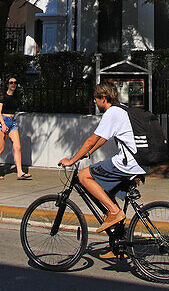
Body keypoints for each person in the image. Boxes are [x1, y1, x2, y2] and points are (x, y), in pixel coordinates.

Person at [59, 82, 145, 234]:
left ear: (103, 98)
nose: (94, 101)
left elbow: (92, 139)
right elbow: (103, 139)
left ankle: (113, 211)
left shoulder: (111, 113)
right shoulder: (122, 109)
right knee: (107, 191)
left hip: (128, 163)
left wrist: (72, 160)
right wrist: (88, 153)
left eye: (96, 98)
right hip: (140, 161)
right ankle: (118, 244)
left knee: (83, 176)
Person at [0, 76, 31, 180]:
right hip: (3, 121)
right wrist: (3, 125)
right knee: (0, 149)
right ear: (7, 84)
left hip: (12, 122)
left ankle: (20, 171)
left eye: (15, 82)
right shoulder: (2, 96)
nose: (13, 84)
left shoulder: (16, 97)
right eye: (11, 82)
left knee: (17, 147)